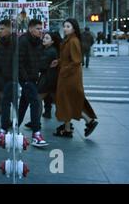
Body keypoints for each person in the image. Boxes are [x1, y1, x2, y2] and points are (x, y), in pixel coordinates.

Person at [54, 18, 98, 138]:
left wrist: (63, 70)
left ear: (74, 28)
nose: (65, 28)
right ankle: (68, 129)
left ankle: (89, 121)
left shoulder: (73, 41)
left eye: (68, 26)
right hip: (68, 76)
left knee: (68, 101)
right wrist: (58, 61)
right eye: (64, 26)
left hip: (69, 77)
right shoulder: (68, 40)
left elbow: (76, 61)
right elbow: (67, 58)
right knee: (66, 102)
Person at [15, 19, 49, 147]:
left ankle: (15, 126)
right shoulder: (23, 41)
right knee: (35, 102)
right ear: (30, 29)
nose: (41, 31)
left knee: (24, 102)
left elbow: (39, 60)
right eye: (38, 29)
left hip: (33, 78)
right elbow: (19, 62)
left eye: (41, 29)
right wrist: (26, 79)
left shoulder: (38, 42)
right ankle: (36, 134)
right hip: (26, 79)